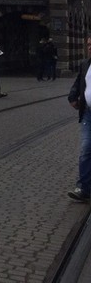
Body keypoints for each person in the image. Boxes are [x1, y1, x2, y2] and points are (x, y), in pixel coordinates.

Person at [67, 36, 91, 202]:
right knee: (85, 149)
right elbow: (78, 83)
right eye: (89, 44)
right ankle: (83, 188)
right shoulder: (85, 64)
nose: (90, 47)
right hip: (88, 113)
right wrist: (72, 97)